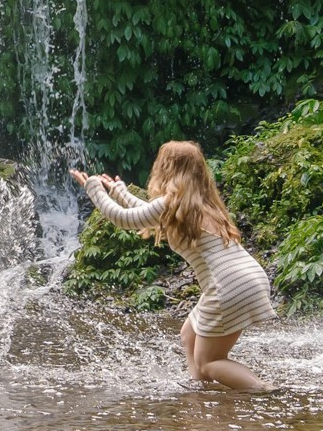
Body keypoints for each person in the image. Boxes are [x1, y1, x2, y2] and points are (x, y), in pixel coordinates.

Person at [72, 140, 274, 391]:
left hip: (227, 287)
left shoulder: (172, 204)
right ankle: (200, 390)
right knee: (189, 334)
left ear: (166, 168)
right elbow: (147, 212)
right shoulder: (201, 203)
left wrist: (93, 188)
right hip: (249, 278)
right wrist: (119, 191)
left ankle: (262, 389)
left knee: (210, 361)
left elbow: (123, 219)